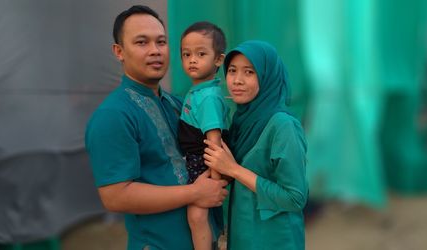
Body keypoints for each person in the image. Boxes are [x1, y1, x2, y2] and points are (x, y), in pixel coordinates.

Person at [85, 5, 228, 250]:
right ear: (119, 51)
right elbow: (115, 196)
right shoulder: (113, 116)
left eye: (161, 42)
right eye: (142, 42)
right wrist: (195, 194)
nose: (155, 51)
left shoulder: (177, 104)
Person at [203, 40, 308, 250]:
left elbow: (295, 197)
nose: (237, 80)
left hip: (275, 240)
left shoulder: (283, 125)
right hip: (243, 236)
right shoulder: (241, 121)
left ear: (267, 77)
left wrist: (233, 169)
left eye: (249, 72)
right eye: (232, 71)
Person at [177, 21, 229, 250]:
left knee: (197, 217)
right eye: (186, 54)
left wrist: (215, 182)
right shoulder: (199, 90)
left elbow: (214, 141)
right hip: (196, 162)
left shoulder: (208, 97)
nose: (192, 60)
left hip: (204, 163)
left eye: (200, 54)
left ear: (218, 60)